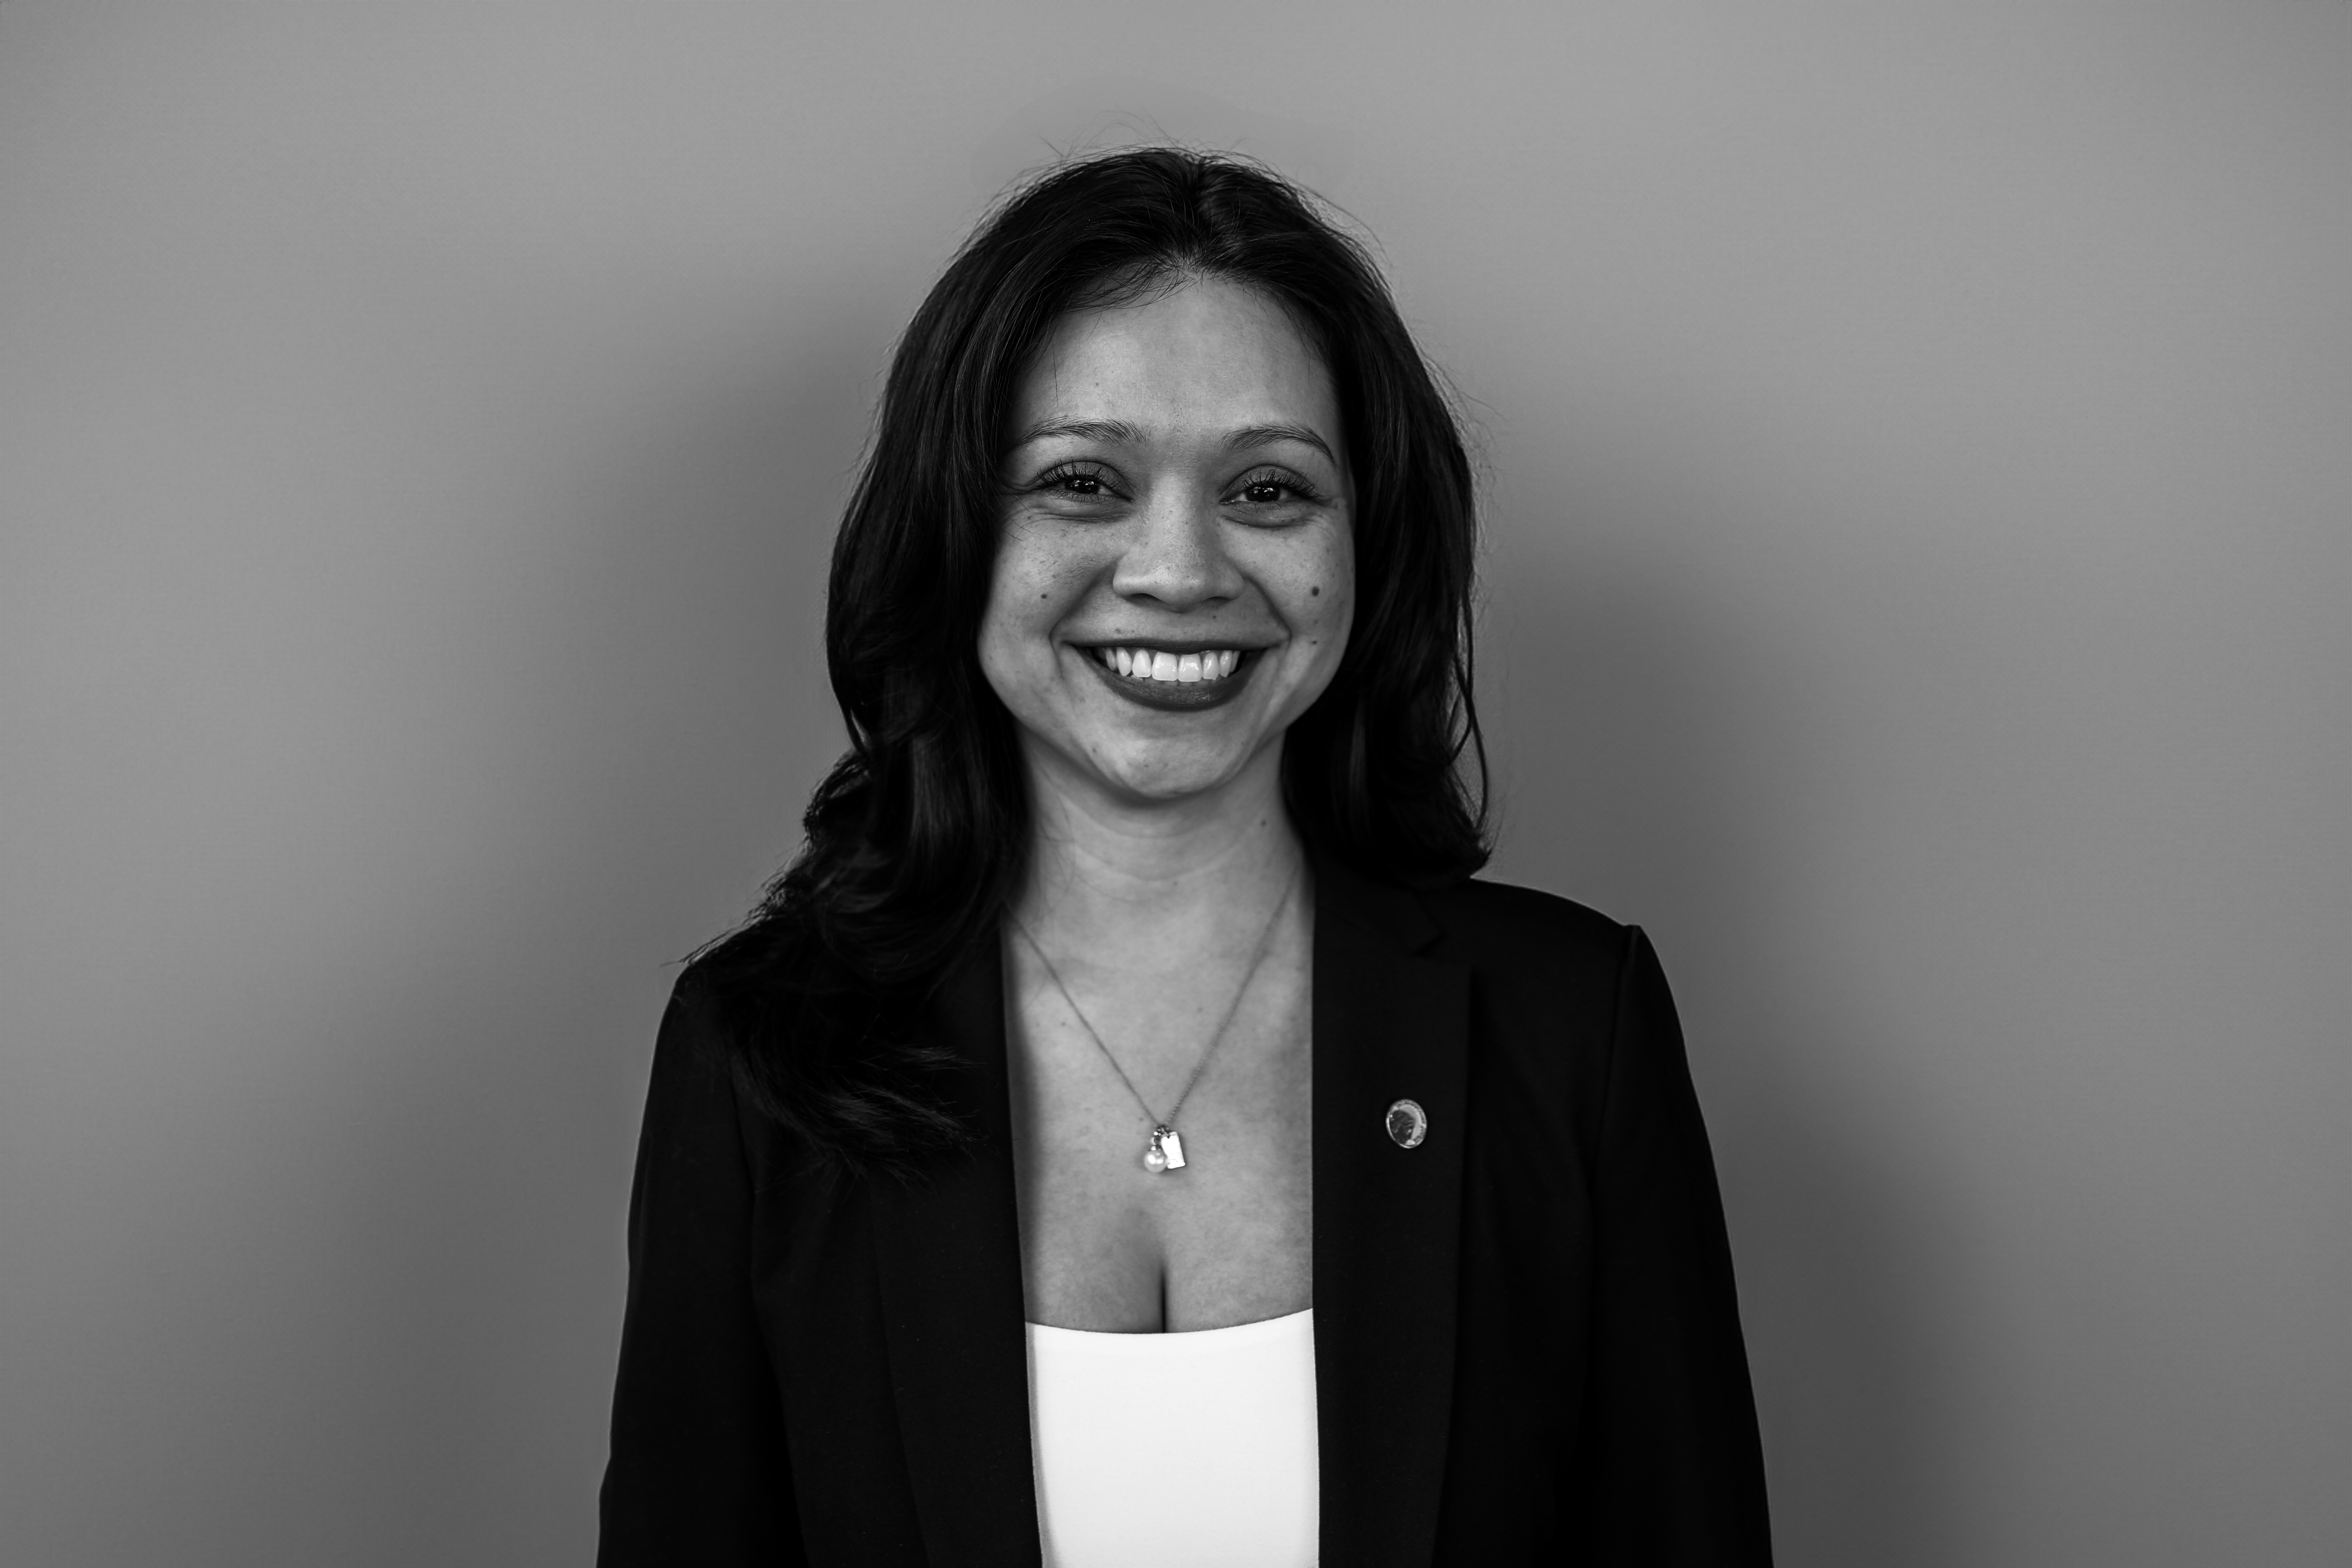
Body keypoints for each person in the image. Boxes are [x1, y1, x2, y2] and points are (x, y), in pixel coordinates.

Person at [597, 147, 1772, 1567]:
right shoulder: (757, 1056)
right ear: (959, 531)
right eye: (1085, 481)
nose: (1179, 569)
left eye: (1270, 490)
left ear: (1368, 547)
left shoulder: (1573, 1030)